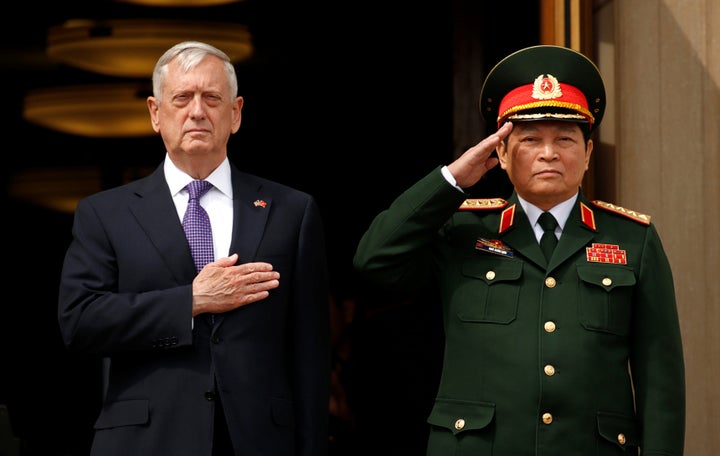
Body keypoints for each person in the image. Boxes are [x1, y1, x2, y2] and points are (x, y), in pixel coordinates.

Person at [353, 45, 685, 455]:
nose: (549, 153)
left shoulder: (634, 239)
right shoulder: (462, 229)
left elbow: (661, 380)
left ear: (587, 154)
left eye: (565, 138)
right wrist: (451, 180)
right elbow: (374, 260)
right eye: (530, 140)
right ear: (504, 155)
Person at [57, 41, 330, 456]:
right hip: (145, 441)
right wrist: (192, 301)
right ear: (155, 113)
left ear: (235, 113)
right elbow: (79, 323)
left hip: (258, 439)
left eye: (212, 98)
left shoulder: (291, 210)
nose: (197, 111)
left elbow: (310, 354)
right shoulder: (105, 213)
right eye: (182, 98)